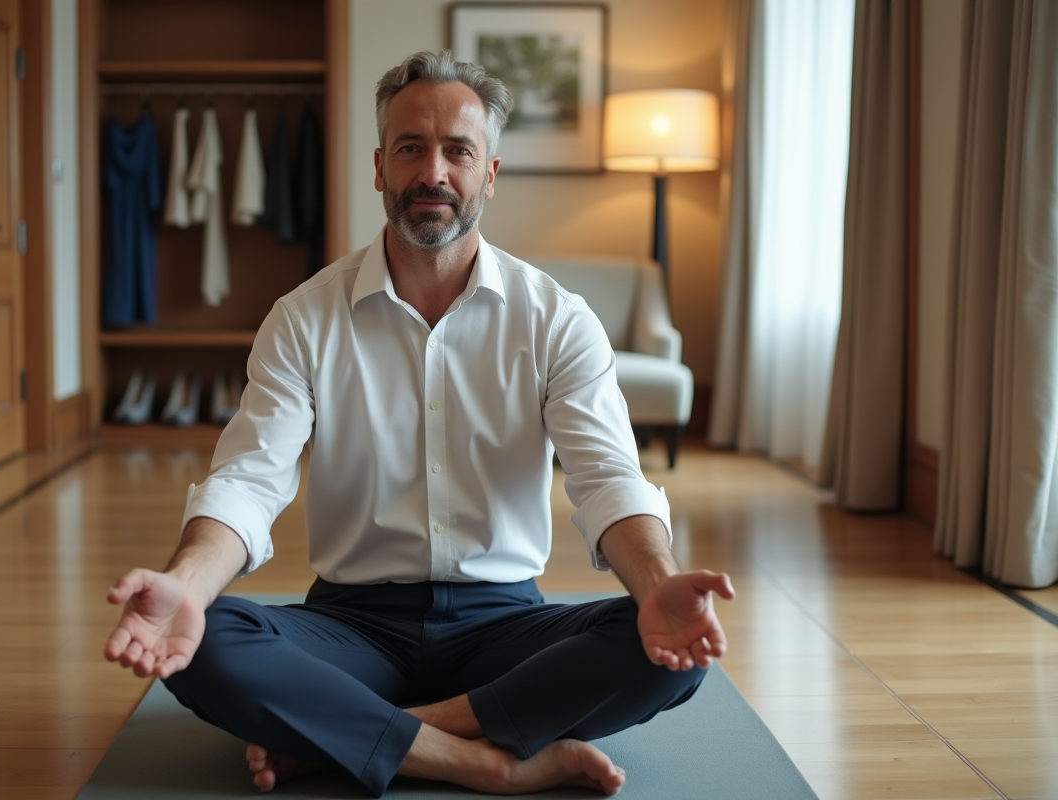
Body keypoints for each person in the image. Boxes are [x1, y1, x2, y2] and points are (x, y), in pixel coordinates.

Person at [104, 50, 735, 797]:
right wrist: (184, 582)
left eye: (458, 151)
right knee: (207, 641)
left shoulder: (557, 319)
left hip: (505, 624)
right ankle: (488, 762)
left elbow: (609, 482)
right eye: (411, 148)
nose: (432, 171)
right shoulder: (304, 317)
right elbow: (248, 480)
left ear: (489, 174)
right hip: (352, 625)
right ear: (379, 167)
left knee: (661, 649)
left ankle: (358, 734)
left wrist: (658, 582)